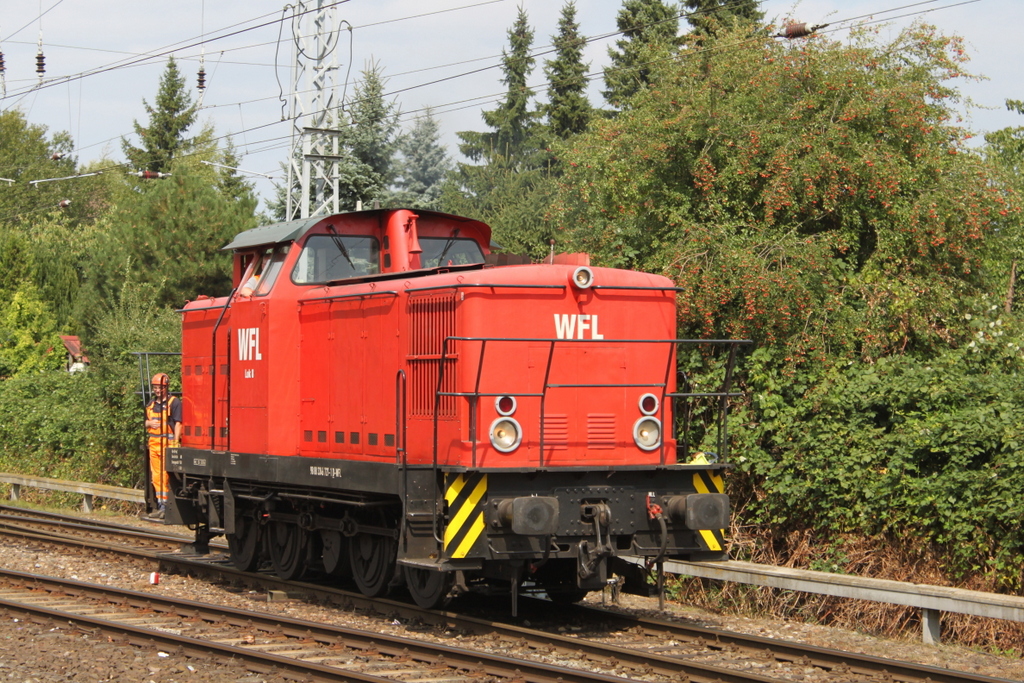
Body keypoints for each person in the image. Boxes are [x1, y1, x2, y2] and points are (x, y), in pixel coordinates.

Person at [145, 372, 182, 519]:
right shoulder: (151, 404)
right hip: (154, 445)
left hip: (167, 444)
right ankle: (161, 504)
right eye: (155, 387)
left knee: (166, 476)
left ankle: (167, 507)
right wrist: (148, 423)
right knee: (156, 476)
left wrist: (175, 443)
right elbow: (145, 422)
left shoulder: (174, 402)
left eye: (160, 387)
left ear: (166, 387)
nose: (158, 390)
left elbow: (179, 423)